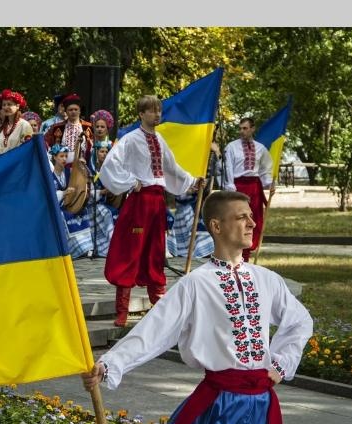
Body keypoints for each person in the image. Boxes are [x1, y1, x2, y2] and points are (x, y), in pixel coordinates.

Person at [81, 190, 313, 424]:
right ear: (216, 226)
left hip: (263, 405)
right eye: (242, 217)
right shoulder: (196, 284)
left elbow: (300, 320)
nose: (252, 223)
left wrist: (281, 364)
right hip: (220, 405)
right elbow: (154, 330)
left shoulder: (267, 279)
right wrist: (109, 364)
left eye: (251, 217)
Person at [98, 94, 202, 327]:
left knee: (156, 251)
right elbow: (110, 164)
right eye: (152, 110)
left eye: (159, 110)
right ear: (141, 114)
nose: (157, 115)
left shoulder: (160, 139)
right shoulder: (130, 139)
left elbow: (172, 167)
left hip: (157, 202)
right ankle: (122, 311)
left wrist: (192, 181)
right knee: (130, 251)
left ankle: (160, 307)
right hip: (139, 202)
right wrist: (130, 181)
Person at [221, 117, 274, 262]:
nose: (241, 131)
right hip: (239, 187)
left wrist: (269, 184)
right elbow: (228, 168)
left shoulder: (261, 148)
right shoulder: (231, 147)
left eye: (245, 128)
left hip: (254, 188)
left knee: (253, 220)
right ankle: (236, 253)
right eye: (240, 128)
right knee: (238, 219)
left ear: (252, 129)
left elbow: (265, 169)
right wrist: (230, 187)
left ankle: (247, 254)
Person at [49, 143, 93, 259]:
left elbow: (83, 179)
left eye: (66, 156)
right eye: (61, 156)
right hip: (59, 207)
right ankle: (75, 249)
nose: (64, 159)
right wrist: (64, 193)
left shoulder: (70, 172)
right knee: (64, 215)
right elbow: (50, 196)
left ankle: (87, 247)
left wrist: (82, 165)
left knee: (83, 211)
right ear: (54, 157)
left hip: (71, 204)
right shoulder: (50, 177)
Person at [44, 93, 93, 167]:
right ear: (66, 112)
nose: (73, 112)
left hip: (82, 167)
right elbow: (45, 143)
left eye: (76, 109)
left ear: (79, 111)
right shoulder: (56, 127)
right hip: (61, 167)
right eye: (70, 110)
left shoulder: (88, 127)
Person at [0, 89, 33, 158]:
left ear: (17, 106)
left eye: (9, 104)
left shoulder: (24, 125)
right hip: (1, 163)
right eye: (4, 105)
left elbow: (28, 149)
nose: (6, 107)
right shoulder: (1, 128)